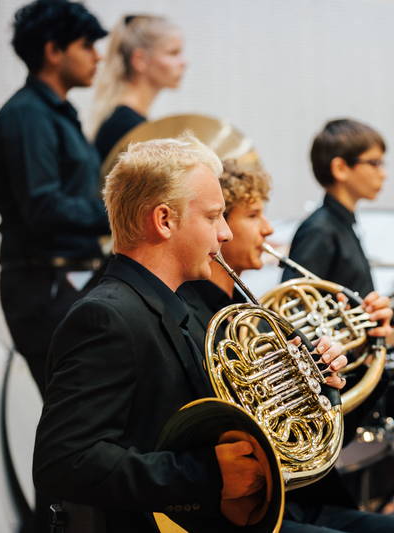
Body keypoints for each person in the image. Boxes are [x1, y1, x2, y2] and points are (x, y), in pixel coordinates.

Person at [33, 135, 349, 533]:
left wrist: (314, 386)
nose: (225, 234)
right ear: (164, 220)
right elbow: (63, 462)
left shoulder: (172, 306)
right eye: (213, 216)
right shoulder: (106, 316)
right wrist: (206, 474)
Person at [179, 160, 394, 533]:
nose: (268, 229)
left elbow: (326, 435)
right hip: (261, 512)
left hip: (309, 500)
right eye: (253, 215)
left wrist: (364, 351)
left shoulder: (252, 317)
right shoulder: (209, 325)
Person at [0, 0, 109, 398]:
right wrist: (119, 213)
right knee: (75, 411)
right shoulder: (27, 117)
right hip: (45, 284)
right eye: (87, 45)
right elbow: (43, 207)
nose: (98, 55)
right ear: (53, 51)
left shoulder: (59, 113)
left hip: (70, 277)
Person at [281, 118, 386, 300]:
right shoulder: (319, 230)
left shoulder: (341, 224)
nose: (383, 174)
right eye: (374, 163)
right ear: (340, 168)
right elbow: (294, 302)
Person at [90, 14, 186, 162]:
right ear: (140, 60)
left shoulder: (130, 121)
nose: (183, 62)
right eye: (173, 53)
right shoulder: (125, 126)